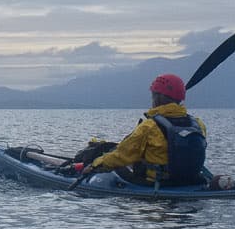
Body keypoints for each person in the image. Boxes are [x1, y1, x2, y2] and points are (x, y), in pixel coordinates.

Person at [75, 72, 208, 187]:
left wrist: (94, 165)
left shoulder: (149, 126)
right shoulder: (197, 124)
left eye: (153, 95)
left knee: (113, 167)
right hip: (191, 180)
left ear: (159, 97)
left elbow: (120, 156)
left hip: (157, 184)